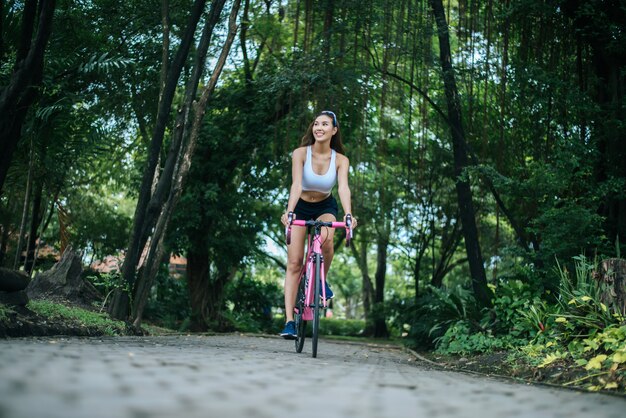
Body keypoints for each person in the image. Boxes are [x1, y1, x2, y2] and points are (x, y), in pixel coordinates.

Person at [279, 110, 357, 339]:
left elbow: (343, 188)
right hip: (301, 205)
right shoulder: (300, 153)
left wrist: (349, 214)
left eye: (325, 124)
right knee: (294, 263)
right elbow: (296, 185)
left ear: (334, 130)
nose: (319, 127)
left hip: (325, 207)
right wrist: (290, 211)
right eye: (316, 124)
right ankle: (289, 321)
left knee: (327, 240)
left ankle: (320, 281)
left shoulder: (341, 160)